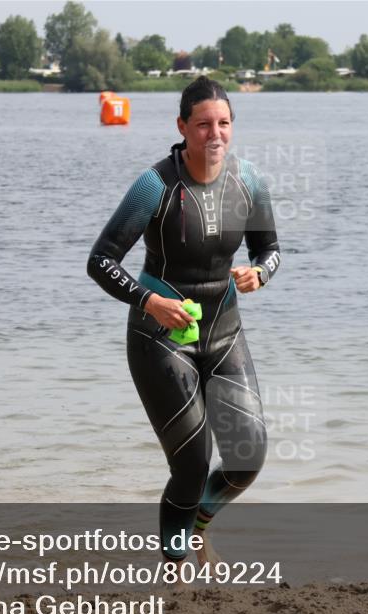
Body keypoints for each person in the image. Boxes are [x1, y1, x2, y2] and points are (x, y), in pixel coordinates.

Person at [88, 76, 281, 568]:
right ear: (182, 127)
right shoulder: (155, 185)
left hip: (224, 332)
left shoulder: (250, 182)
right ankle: (175, 574)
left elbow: (271, 250)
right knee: (192, 463)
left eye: (223, 123)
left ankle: (197, 531)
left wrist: (260, 272)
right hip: (159, 338)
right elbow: (102, 261)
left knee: (246, 458)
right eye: (202, 125)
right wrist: (149, 300)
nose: (214, 134)